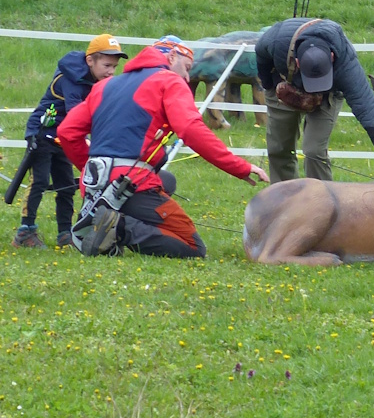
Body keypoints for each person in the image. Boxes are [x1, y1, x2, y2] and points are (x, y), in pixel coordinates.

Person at [57, 35, 268, 258]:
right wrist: (239, 167)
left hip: (95, 184)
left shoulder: (105, 85)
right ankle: (117, 228)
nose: (187, 77)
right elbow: (191, 130)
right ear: (172, 56)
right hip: (133, 183)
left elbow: (67, 132)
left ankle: (105, 221)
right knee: (193, 247)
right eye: (187, 68)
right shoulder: (169, 81)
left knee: (168, 181)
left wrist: (91, 170)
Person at [255, 17, 374, 183]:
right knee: (278, 148)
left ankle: (322, 198)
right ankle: (285, 196)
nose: (315, 88)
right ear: (297, 62)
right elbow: (260, 51)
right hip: (285, 84)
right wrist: (269, 84)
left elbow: (369, 114)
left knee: (314, 151)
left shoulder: (347, 67)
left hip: (329, 94)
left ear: (332, 57)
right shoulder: (277, 41)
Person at [14, 33, 128, 249]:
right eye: (106, 65)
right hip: (43, 133)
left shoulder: (98, 81)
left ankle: (65, 233)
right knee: (39, 181)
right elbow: (76, 113)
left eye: (114, 67)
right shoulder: (71, 78)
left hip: (65, 137)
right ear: (90, 60)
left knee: (66, 185)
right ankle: (25, 231)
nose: (111, 71)